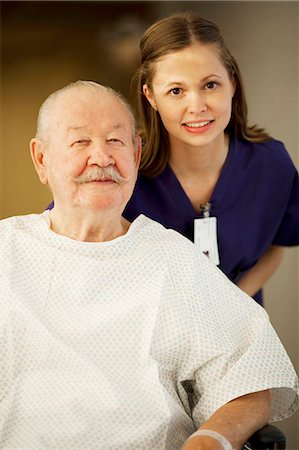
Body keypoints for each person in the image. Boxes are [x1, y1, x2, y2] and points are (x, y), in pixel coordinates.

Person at [1, 81, 298, 450]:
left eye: (115, 141)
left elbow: (251, 372)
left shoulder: (172, 257)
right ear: (42, 159)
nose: (101, 158)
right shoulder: (6, 251)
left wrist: (211, 439)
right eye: (80, 142)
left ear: (137, 155)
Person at [123, 11, 299, 305]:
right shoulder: (122, 169)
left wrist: (231, 304)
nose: (197, 106)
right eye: (176, 91)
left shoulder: (270, 164)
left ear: (232, 83)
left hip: (237, 331)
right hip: (151, 339)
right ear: (151, 96)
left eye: (210, 85)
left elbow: (276, 244)